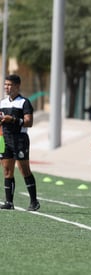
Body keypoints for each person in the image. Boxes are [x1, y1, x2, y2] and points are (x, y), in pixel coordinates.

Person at [0, 74, 40, 211]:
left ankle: (34, 202)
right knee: (7, 170)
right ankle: (9, 202)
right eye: (5, 84)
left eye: (10, 85)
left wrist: (13, 119)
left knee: (24, 170)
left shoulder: (24, 102)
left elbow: (29, 122)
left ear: (17, 86)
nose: (7, 87)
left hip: (19, 139)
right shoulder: (2, 103)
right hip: (5, 139)